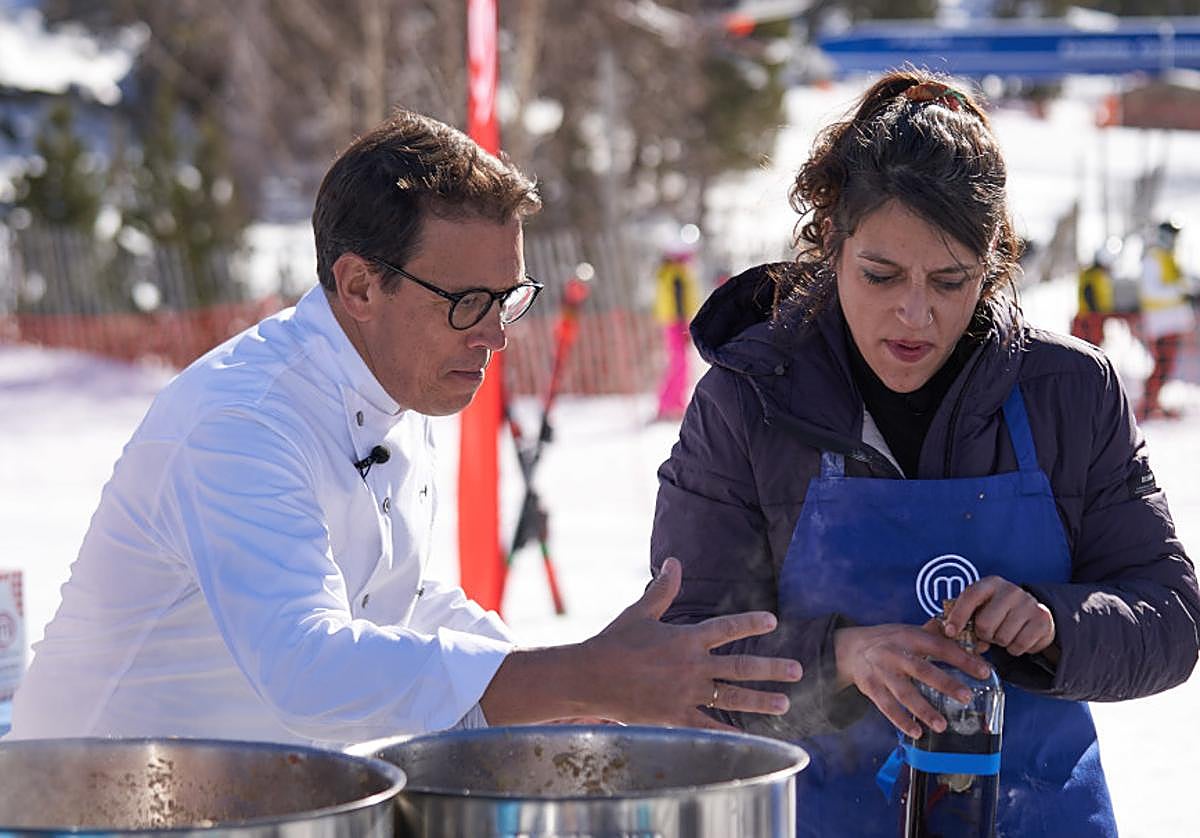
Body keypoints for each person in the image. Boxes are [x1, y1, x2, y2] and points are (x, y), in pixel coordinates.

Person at [7, 110, 802, 746]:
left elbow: (402, 600)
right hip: (93, 809)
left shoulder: (397, 386)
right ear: (358, 285)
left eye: (507, 298)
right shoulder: (242, 424)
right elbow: (308, 666)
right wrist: (575, 676)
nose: (494, 336)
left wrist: (565, 681)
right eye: (465, 304)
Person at [650, 70, 1199, 837]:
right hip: (815, 815)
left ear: (994, 263)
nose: (916, 313)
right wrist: (839, 656)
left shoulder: (1069, 393)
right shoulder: (750, 401)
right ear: (832, 242)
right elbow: (679, 651)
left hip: (1036, 815)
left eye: (952, 280)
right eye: (882, 275)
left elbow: (1169, 619)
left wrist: (1054, 622)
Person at [1137, 219, 1196, 420]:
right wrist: (1181, 290)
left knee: (1166, 366)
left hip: (1171, 322)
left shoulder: (1170, 256)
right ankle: (1147, 405)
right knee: (1161, 365)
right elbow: (1151, 291)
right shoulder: (1153, 259)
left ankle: (1154, 403)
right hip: (1161, 323)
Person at [653, 248, 701, 421]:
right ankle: (673, 405)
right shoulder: (677, 274)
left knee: (677, 364)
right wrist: (685, 326)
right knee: (681, 365)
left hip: (670, 322)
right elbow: (680, 302)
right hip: (677, 323)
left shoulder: (666, 273)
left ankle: (667, 403)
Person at [1070, 236, 1122, 347]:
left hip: (1095, 319)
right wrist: (1097, 312)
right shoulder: (1092, 275)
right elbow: (1089, 295)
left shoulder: (1099, 275)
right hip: (1089, 321)